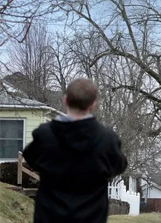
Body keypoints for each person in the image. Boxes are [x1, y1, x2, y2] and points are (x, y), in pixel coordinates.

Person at [23, 78, 128, 223]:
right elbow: (119, 166)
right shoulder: (107, 140)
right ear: (93, 104)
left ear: (65, 100)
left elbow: (30, 158)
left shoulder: (45, 136)